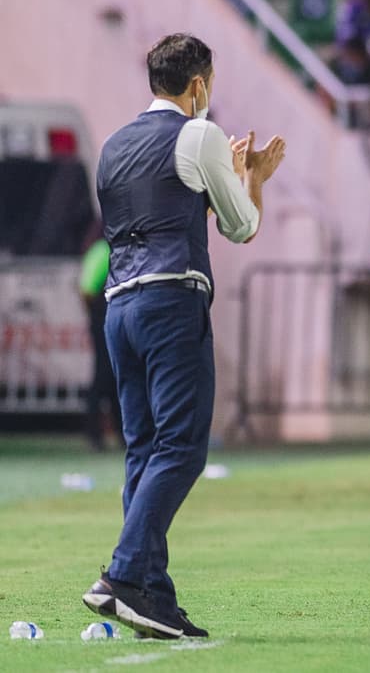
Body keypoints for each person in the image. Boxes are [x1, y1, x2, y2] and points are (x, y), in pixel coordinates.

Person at [83, 34, 286, 638]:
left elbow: (152, 212)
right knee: (182, 448)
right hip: (172, 298)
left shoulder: (113, 143)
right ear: (198, 85)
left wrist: (209, 178)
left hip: (119, 306)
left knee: (144, 451)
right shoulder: (199, 133)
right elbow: (240, 226)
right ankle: (121, 577)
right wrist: (252, 176)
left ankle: (151, 595)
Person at [80, 232, 122, 452]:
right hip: (103, 322)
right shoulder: (102, 251)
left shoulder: (110, 249)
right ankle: (95, 434)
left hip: (112, 321)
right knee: (104, 377)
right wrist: (96, 317)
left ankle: (122, 434)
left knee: (117, 376)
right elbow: (87, 289)